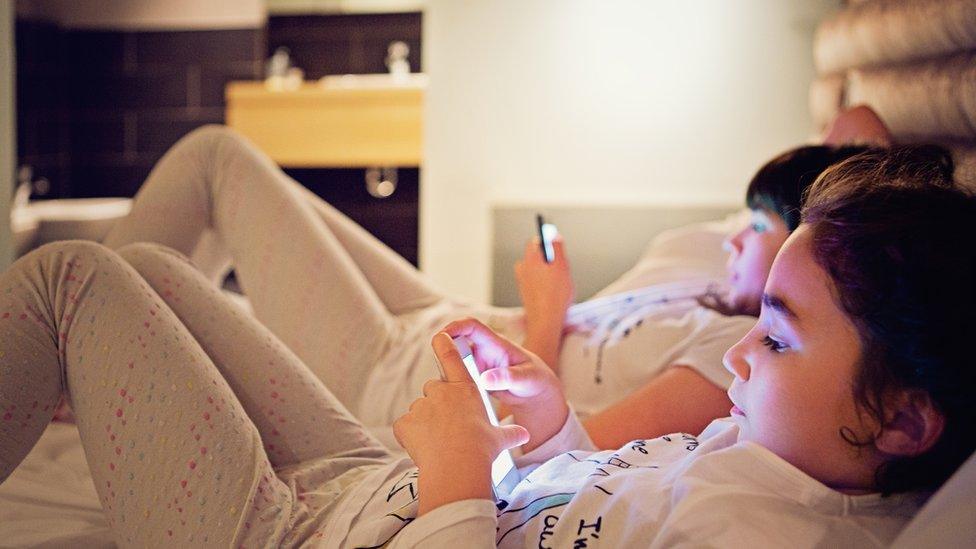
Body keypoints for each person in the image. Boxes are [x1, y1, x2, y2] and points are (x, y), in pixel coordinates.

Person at [0, 145, 971, 547]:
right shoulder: (760, 455)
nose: (738, 358)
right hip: (374, 482)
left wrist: (461, 477)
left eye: (777, 338)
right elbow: (597, 498)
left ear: (902, 417)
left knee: (69, 282)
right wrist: (550, 427)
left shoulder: (761, 535)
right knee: (146, 277)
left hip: (336, 532)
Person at [98, 125, 869, 448]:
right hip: (434, 315)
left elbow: (553, 447)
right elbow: (856, 123)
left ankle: (91, 352)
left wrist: (546, 311)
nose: (736, 233)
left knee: (216, 159)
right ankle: (100, 347)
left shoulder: (725, 357)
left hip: (405, 374)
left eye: (760, 226)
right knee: (225, 203)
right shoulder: (705, 274)